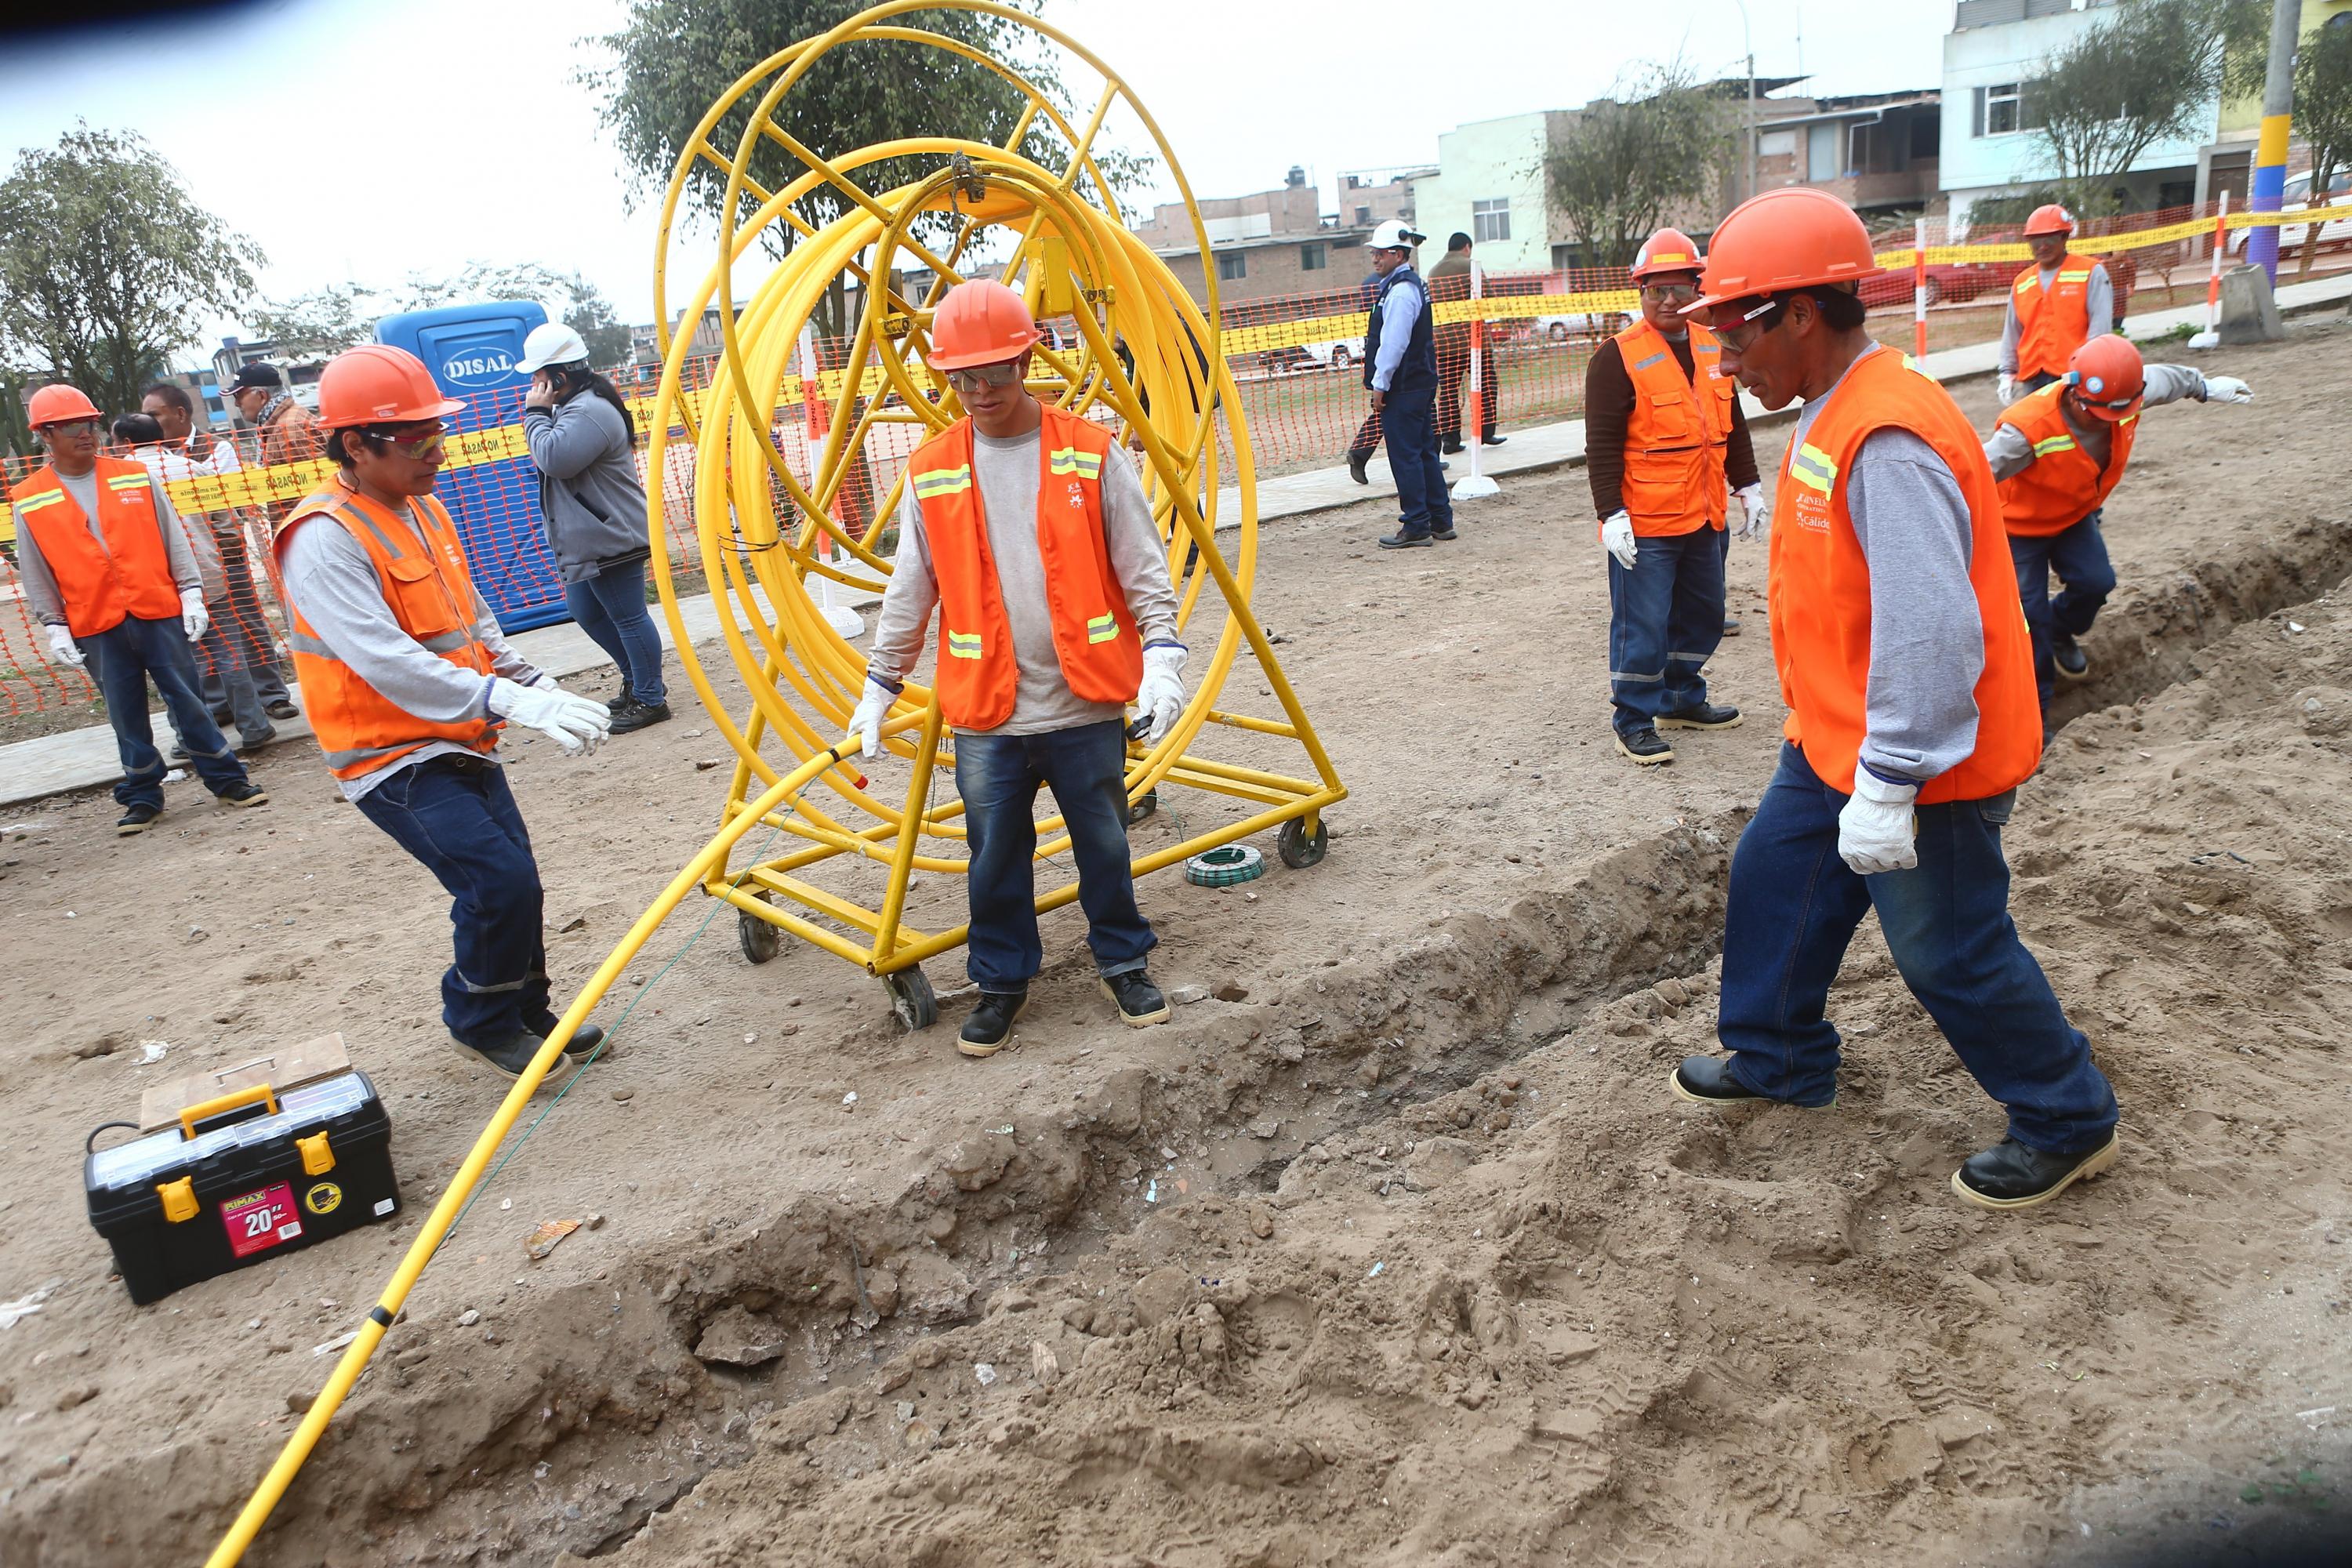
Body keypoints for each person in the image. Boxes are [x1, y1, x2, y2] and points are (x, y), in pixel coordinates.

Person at [1673, 187, 2120, 1212]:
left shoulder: (1888, 439)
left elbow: (1935, 634)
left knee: (1946, 947)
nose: (1725, 356)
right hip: (1837, 731)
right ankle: (1779, 1054)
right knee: (1776, 872)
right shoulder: (1836, 408)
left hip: (1925, 756)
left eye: (1734, 328)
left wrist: (1890, 778)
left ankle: (2067, 1117)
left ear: (1797, 313)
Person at [848, 279, 1186, 1057]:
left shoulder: (1091, 452)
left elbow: (1143, 567)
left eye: (994, 372)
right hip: (988, 712)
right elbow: (911, 588)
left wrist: (1162, 657)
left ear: (1028, 358)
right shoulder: (933, 469)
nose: (978, 391)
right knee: (994, 852)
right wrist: (879, 683)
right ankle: (1000, 980)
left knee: (1102, 840)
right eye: (961, 378)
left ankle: (1124, 961)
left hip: (1083, 704)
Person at [274, 345, 614, 1083]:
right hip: (391, 755)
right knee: (494, 883)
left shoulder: (421, 510)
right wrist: (505, 698)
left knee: (519, 876)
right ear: (356, 446)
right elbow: (384, 659)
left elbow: (471, 622)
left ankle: (527, 1010)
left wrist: (530, 678)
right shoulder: (322, 538)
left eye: (440, 433)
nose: (437, 452)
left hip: (463, 734)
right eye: (416, 439)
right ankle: (478, 1018)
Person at [11, 384, 269, 833]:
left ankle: (227, 779)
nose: (85, 433)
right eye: (71, 427)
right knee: (124, 712)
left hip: (156, 609)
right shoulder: (30, 497)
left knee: (189, 700)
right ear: (45, 435)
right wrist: (54, 624)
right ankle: (143, 794)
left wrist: (190, 590)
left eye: (89, 424)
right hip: (95, 621)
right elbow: (37, 570)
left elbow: (173, 537)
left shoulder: (132, 475)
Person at [1986, 336, 2252, 705]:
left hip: (2072, 514)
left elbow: (2165, 379)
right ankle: (2038, 710)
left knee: (2096, 584)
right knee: (2028, 621)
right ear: (2075, 391)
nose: (2105, 421)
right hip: (2018, 529)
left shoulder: (2125, 392)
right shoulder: (2025, 430)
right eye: (2095, 413)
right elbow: (1975, 473)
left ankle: (2061, 628)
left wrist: (2205, 387)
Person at [1583, 227, 1766, 765]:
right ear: (1640, 293)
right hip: (1648, 522)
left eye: (1680, 290)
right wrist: (1609, 514)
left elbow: (1732, 422)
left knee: (1703, 616)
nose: (1668, 301)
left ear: (1697, 290)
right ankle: (1634, 718)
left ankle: (1682, 698)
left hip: (1705, 515)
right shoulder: (1617, 358)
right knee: (1643, 624)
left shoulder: (1717, 345)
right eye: (1655, 290)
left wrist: (1748, 484)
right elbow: (1602, 446)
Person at [515, 322, 671, 733]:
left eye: (539, 375)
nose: (534, 384)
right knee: (587, 612)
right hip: (590, 535)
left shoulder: (589, 410)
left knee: (627, 615)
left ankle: (650, 699)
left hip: (610, 533)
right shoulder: (576, 406)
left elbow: (555, 459)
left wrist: (534, 415)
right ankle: (637, 682)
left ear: (560, 375)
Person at [112, 412, 276, 753]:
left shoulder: (119, 482)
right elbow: (228, 525)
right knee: (231, 653)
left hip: (158, 587)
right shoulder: (194, 470)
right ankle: (254, 726)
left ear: (125, 443)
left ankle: (191, 738)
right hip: (209, 578)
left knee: (174, 665)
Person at [142, 380, 299, 720]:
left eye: (155, 414)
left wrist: (223, 554)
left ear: (180, 413)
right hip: (184, 565)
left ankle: (271, 694)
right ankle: (221, 704)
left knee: (249, 624)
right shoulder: (154, 460)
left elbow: (229, 507)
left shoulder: (218, 449)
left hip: (226, 556)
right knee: (198, 635)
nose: (151, 422)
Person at [1362, 220, 1455, 550]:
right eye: (1373, 252)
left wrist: (1379, 384)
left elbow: (1393, 344)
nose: (1374, 258)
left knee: (1406, 456)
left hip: (1404, 386)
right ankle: (1440, 520)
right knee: (1425, 452)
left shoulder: (1400, 291)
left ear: (1399, 253)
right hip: (1419, 382)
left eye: (1380, 252)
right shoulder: (1407, 285)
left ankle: (1416, 523)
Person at [1996, 205, 2114, 405]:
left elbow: (2100, 329)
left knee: (2072, 433)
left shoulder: (2091, 272)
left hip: (2075, 377)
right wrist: (2007, 373)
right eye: (2036, 241)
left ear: (2064, 237)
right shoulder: (2022, 282)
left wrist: (2093, 368)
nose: (2042, 246)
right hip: (2033, 378)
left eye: (2049, 239)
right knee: (2039, 433)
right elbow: (2012, 331)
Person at [1428, 231, 1504, 455]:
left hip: (1443, 343)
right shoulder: (1470, 266)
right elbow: (1487, 299)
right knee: (1486, 386)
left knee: (1449, 392)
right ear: (1467, 247)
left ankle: (1450, 440)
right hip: (1473, 341)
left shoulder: (1433, 271)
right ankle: (1486, 432)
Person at [225, 361, 325, 528]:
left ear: (262, 395)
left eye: (239, 396)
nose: (237, 404)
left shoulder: (289, 429)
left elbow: (316, 496)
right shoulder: (279, 425)